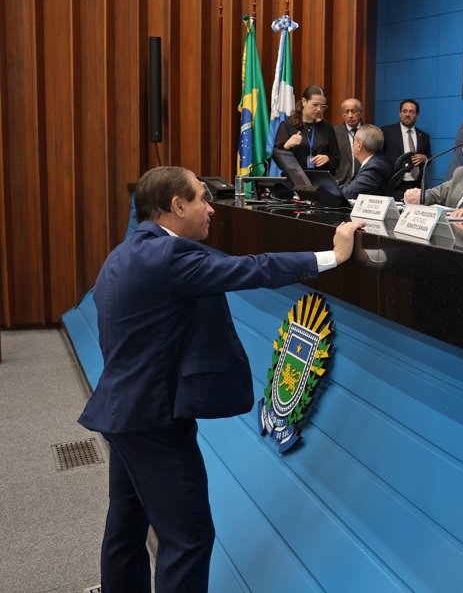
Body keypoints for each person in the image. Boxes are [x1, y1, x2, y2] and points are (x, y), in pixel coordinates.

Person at [78, 166, 364, 591]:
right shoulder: (171, 256)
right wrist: (333, 256)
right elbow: (252, 269)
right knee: (188, 538)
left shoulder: (123, 253)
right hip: (154, 421)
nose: (211, 208)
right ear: (177, 206)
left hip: (121, 411)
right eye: (202, 198)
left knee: (127, 526)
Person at [273, 85, 340, 173]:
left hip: (320, 178)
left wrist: (328, 158)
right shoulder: (287, 125)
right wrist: (286, 146)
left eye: (322, 106)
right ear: (304, 101)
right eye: (315, 105)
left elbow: (337, 159)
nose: (319, 109)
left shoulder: (327, 127)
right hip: (295, 178)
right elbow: (277, 160)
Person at [381, 99, 431, 193]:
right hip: (395, 185)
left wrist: (424, 158)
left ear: (417, 115)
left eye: (411, 112)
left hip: (417, 186)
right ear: (400, 113)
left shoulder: (424, 136)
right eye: (404, 111)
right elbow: (379, 156)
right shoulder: (386, 132)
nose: (407, 114)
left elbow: (429, 157)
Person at [341, 124, 393, 199]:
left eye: (354, 141)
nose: (353, 144)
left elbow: (348, 193)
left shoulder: (373, 169)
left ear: (360, 146)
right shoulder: (381, 162)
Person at [333, 97, 362, 184]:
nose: (350, 116)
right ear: (342, 114)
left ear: (360, 113)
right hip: (341, 182)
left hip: (363, 182)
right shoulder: (334, 132)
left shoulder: (369, 131)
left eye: (353, 111)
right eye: (346, 111)